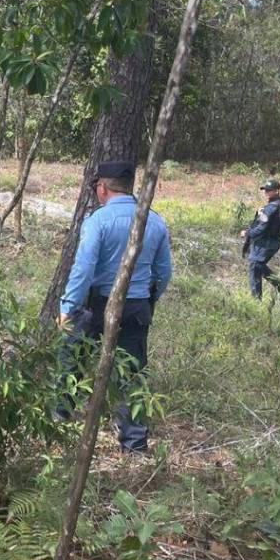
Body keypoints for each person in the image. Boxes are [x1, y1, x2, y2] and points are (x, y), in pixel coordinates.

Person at [55, 161, 172, 453]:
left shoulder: (98, 221)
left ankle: (59, 420)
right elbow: (164, 272)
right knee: (132, 373)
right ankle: (134, 444)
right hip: (137, 307)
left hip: (97, 305)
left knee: (73, 361)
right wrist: (147, 300)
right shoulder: (154, 221)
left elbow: (83, 268)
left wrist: (68, 306)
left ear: (102, 188)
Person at [240, 178, 280, 299]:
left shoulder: (271, 208)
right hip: (274, 242)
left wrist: (247, 233)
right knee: (259, 266)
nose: (266, 192)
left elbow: (261, 228)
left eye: (269, 190)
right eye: (265, 190)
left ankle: (256, 302)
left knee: (255, 268)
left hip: (264, 243)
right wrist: (260, 213)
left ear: (277, 191)